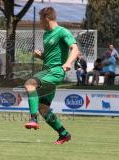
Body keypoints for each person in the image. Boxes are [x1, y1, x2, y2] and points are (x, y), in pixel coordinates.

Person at [24, 7, 79, 144]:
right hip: (47, 71)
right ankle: (64, 134)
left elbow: (75, 49)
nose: (40, 23)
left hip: (56, 72)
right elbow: (50, 58)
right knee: (43, 108)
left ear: (46, 18)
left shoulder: (62, 32)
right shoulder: (46, 34)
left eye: (40, 20)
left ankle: (33, 119)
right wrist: (41, 56)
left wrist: (68, 63)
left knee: (30, 83)